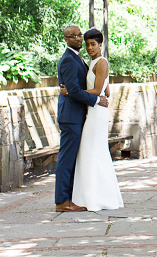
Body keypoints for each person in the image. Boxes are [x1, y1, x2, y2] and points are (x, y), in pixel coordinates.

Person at [68, 28, 124, 212]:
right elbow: (107, 91)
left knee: (91, 152)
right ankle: (97, 196)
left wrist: (72, 92)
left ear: (101, 44)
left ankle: (95, 198)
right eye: (87, 45)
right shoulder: (92, 62)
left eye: (93, 44)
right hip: (95, 110)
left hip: (97, 113)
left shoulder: (101, 63)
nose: (90, 48)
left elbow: (98, 91)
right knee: (93, 153)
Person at [54, 25, 108, 213]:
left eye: (79, 35)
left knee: (73, 158)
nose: (78, 39)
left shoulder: (80, 58)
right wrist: (96, 100)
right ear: (65, 40)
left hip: (78, 115)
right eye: (73, 36)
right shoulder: (68, 60)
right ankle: (62, 200)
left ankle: (71, 198)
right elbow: (75, 91)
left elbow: (80, 87)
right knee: (66, 159)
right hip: (70, 116)